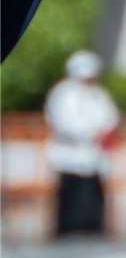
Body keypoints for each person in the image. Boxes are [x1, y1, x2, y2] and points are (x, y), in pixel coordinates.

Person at [43, 48, 116, 237]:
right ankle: (68, 231)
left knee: (92, 198)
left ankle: (92, 230)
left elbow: (110, 118)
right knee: (70, 198)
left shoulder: (98, 94)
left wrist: (101, 132)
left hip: (93, 157)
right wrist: (88, 134)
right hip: (69, 156)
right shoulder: (63, 93)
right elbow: (64, 122)